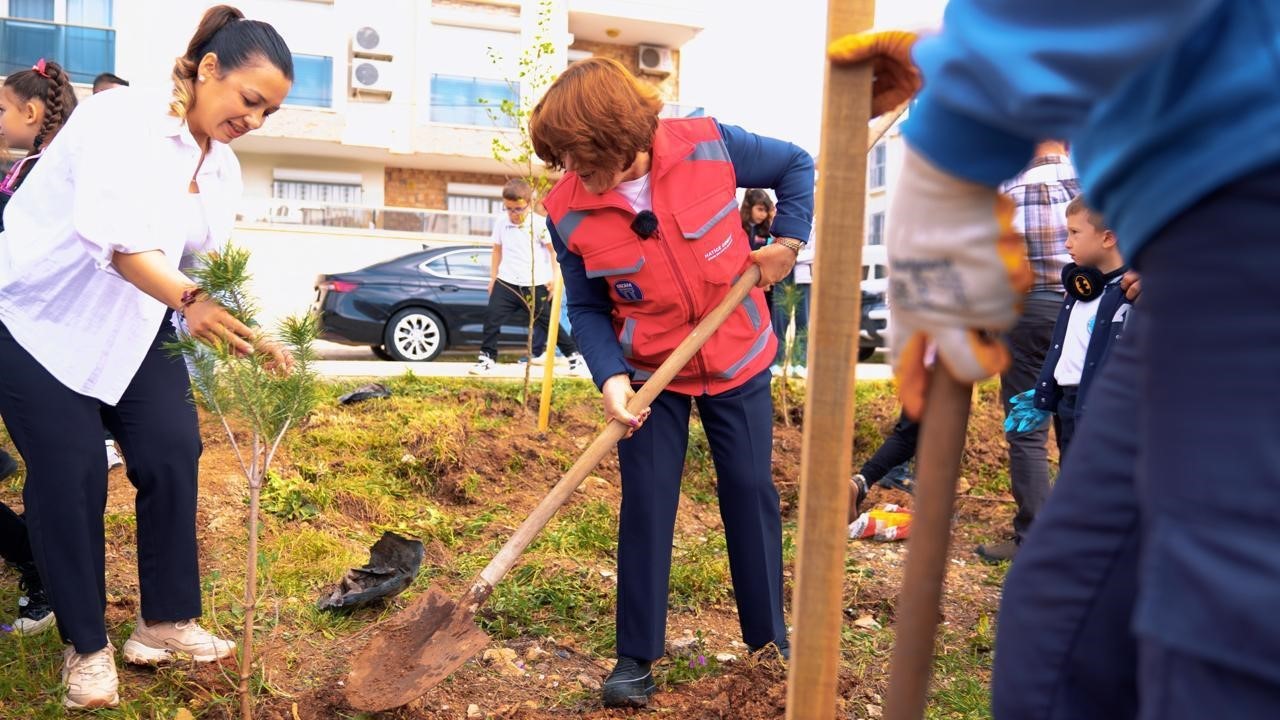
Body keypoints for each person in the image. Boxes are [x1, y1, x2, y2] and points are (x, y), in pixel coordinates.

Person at [833, 4, 1280, 718]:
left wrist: (966, 111)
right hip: (1192, 233)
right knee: (1063, 620)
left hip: (1249, 207)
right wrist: (976, 58)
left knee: (1224, 642)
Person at [0, 5, 294, 709]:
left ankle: (163, 622)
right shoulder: (120, 120)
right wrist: (193, 300)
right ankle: (86, 646)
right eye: (250, 100)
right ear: (209, 69)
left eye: (270, 113)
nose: (254, 120)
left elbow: (200, 267)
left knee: (171, 449)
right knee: (70, 474)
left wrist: (239, 326)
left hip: (135, 322)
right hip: (39, 320)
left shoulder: (220, 168)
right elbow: (119, 241)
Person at [530, 57, 812, 709]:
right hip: (651, 373)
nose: (578, 176)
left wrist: (789, 244)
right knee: (648, 503)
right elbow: (588, 306)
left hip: (739, 355)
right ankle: (635, 657)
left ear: (625, 138)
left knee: (749, 489)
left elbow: (796, 163)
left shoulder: (706, 143)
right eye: (566, 162)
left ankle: (769, 641)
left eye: (586, 161)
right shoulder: (565, 211)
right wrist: (609, 379)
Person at [0, 58, 80, 638]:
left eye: (1, 109)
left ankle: (44, 571)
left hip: (32, 345)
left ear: (31, 112)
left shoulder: (53, 177)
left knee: (56, 476)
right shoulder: (20, 170)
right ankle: (38, 564)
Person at [975, 142, 1080, 563]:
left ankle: (1034, 536)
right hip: (1082, 311)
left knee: (1028, 425)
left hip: (1024, 313)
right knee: (1076, 421)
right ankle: (1080, 534)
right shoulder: (1088, 181)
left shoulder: (1005, 186)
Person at [1006, 196, 1131, 455]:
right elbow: (1064, 350)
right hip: (1068, 405)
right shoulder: (1078, 292)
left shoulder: (1128, 296)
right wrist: (1045, 392)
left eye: (1074, 233)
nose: (1067, 243)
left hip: (1104, 410)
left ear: (1108, 238)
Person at [470, 178, 585, 376]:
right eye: (508, 209)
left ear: (529, 205)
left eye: (518, 209)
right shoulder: (501, 223)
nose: (513, 214)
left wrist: (555, 278)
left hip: (534, 283)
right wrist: (493, 278)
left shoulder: (539, 225)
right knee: (492, 318)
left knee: (548, 323)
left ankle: (574, 358)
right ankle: (487, 358)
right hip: (506, 282)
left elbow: (554, 253)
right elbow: (497, 250)